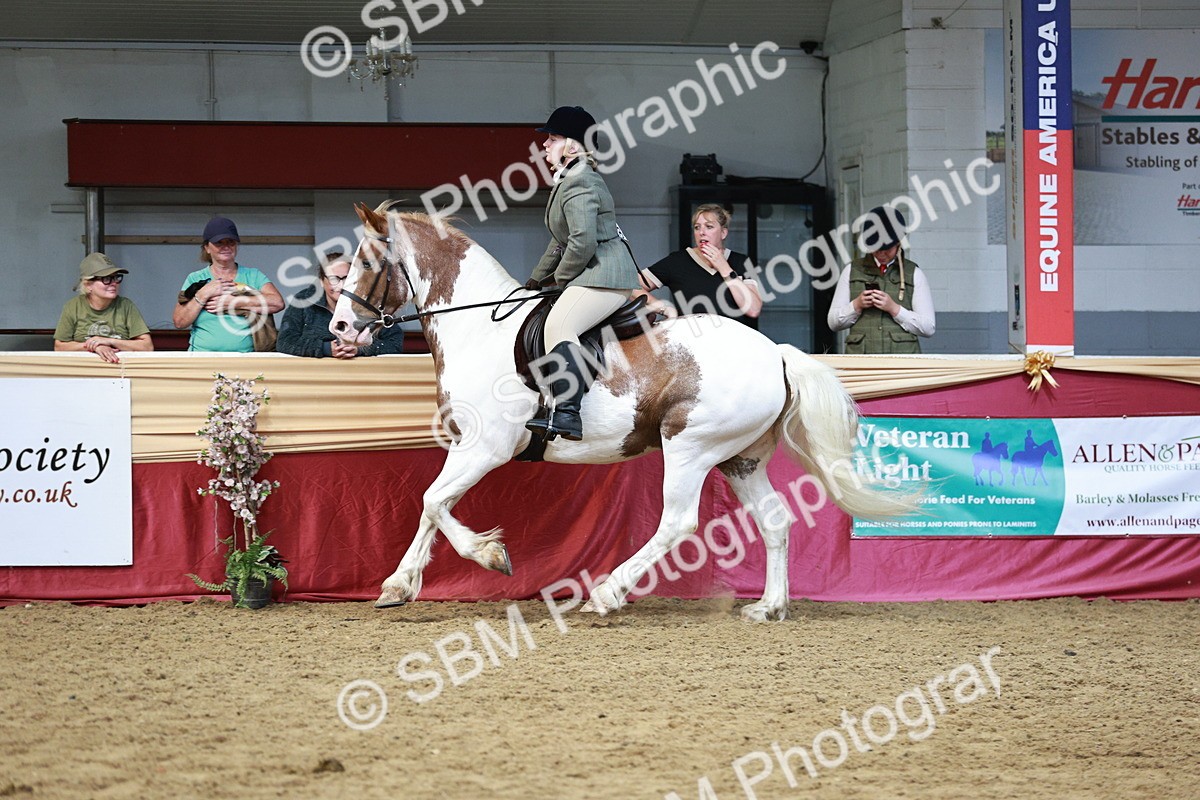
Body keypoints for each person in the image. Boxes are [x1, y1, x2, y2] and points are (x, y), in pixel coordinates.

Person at [523, 105, 641, 442]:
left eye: (553, 138)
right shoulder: (569, 180)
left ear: (573, 146)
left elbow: (582, 242)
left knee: (559, 324)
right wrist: (533, 280)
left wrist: (559, 280)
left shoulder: (581, 181)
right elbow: (560, 242)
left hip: (604, 274)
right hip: (590, 271)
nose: (545, 145)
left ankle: (568, 413)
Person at [827, 205, 935, 353]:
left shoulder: (914, 273)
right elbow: (833, 323)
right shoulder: (852, 271)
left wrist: (895, 309)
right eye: (876, 249)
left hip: (902, 366)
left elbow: (928, 327)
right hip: (861, 364)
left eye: (887, 250)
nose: (882, 254)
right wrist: (856, 305)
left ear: (898, 243)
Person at [636, 204, 762, 328]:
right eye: (697, 227)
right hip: (693, 344)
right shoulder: (677, 261)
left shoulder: (743, 262)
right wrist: (662, 308)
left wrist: (725, 269)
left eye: (709, 226)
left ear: (723, 233)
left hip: (736, 343)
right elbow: (631, 286)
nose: (702, 232)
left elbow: (753, 310)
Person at [172, 217, 284, 352]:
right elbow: (179, 322)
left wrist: (233, 302)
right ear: (207, 247)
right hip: (202, 357)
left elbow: (277, 303)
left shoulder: (253, 275)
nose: (225, 247)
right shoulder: (195, 278)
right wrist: (202, 295)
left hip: (246, 359)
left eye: (230, 242)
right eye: (219, 243)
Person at [276, 254, 404, 358]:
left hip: (361, 375)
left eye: (346, 278)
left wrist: (360, 350)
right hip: (314, 375)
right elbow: (285, 342)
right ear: (321, 281)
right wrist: (324, 348)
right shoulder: (303, 300)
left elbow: (395, 342)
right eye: (334, 279)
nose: (341, 285)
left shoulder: (370, 303)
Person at [54, 253, 153, 363]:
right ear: (88, 285)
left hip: (119, 372)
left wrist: (109, 341)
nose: (114, 283)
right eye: (106, 279)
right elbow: (59, 347)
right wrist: (95, 347)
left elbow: (147, 346)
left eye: (116, 278)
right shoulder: (73, 306)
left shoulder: (126, 305)